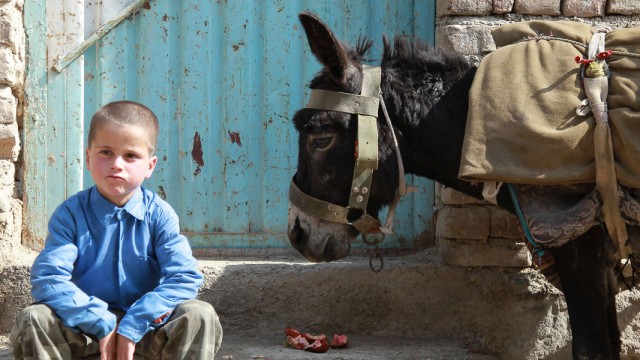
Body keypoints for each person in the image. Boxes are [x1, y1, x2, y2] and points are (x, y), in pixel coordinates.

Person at [10, 100, 222, 359]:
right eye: (106, 152)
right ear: (88, 158)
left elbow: (184, 278)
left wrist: (134, 323)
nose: (117, 164)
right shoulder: (70, 215)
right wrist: (99, 320)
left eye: (131, 155)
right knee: (35, 317)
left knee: (199, 315)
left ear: (150, 166)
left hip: (146, 331)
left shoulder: (159, 215)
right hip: (84, 331)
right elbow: (48, 279)